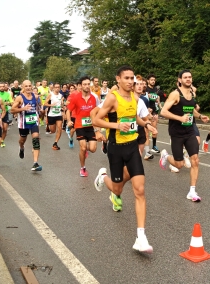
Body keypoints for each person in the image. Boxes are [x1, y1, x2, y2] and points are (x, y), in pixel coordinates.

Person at [92, 66, 157, 254]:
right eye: (126, 78)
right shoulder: (112, 98)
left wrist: (147, 125)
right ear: (118, 79)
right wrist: (117, 125)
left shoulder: (135, 98)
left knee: (140, 190)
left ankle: (141, 237)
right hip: (115, 149)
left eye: (132, 79)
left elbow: (134, 117)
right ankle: (103, 177)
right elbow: (96, 120)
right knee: (117, 189)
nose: (130, 81)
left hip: (132, 147)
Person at [159, 70, 209, 201]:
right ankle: (165, 156)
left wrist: (199, 116)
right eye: (185, 77)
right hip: (177, 133)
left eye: (190, 77)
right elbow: (163, 111)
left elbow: (191, 108)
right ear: (180, 80)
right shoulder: (175, 94)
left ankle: (192, 191)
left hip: (189, 132)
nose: (188, 79)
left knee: (195, 160)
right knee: (179, 164)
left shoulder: (191, 93)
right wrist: (180, 118)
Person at [66, 76, 99, 177]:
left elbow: (98, 110)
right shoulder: (75, 97)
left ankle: (84, 151)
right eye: (85, 84)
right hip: (79, 125)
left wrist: (98, 125)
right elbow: (68, 110)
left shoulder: (94, 98)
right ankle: (83, 168)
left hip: (90, 126)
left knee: (92, 149)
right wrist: (68, 121)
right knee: (83, 147)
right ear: (80, 86)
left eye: (89, 84)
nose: (87, 86)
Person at [11, 80, 42, 171]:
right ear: (23, 87)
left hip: (33, 122)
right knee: (22, 140)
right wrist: (23, 108)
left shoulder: (35, 97)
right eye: (26, 86)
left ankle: (35, 163)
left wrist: (40, 114)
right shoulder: (19, 98)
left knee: (36, 138)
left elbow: (38, 108)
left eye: (29, 86)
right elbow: (12, 110)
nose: (28, 88)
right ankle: (21, 148)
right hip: (23, 123)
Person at [44, 83, 64, 150]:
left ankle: (55, 143)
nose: (57, 88)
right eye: (56, 87)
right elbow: (45, 103)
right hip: (51, 115)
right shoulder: (50, 95)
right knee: (53, 131)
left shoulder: (61, 95)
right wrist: (51, 105)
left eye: (58, 87)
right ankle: (48, 126)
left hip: (58, 114)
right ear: (53, 88)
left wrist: (63, 106)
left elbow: (61, 105)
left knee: (60, 128)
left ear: (60, 88)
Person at [146, 74, 161, 154]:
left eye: (154, 80)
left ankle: (154, 146)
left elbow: (157, 98)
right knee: (146, 131)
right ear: (148, 80)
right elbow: (148, 96)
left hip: (154, 111)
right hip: (146, 111)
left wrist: (159, 105)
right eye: (151, 80)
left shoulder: (155, 89)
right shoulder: (146, 88)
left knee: (154, 129)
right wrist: (155, 97)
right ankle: (147, 150)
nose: (153, 81)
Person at [0, 82, 13, 147]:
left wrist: (9, 103)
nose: (2, 88)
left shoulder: (7, 94)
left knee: (5, 129)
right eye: (0, 86)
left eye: (3, 86)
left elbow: (12, 103)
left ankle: (2, 140)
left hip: (5, 112)